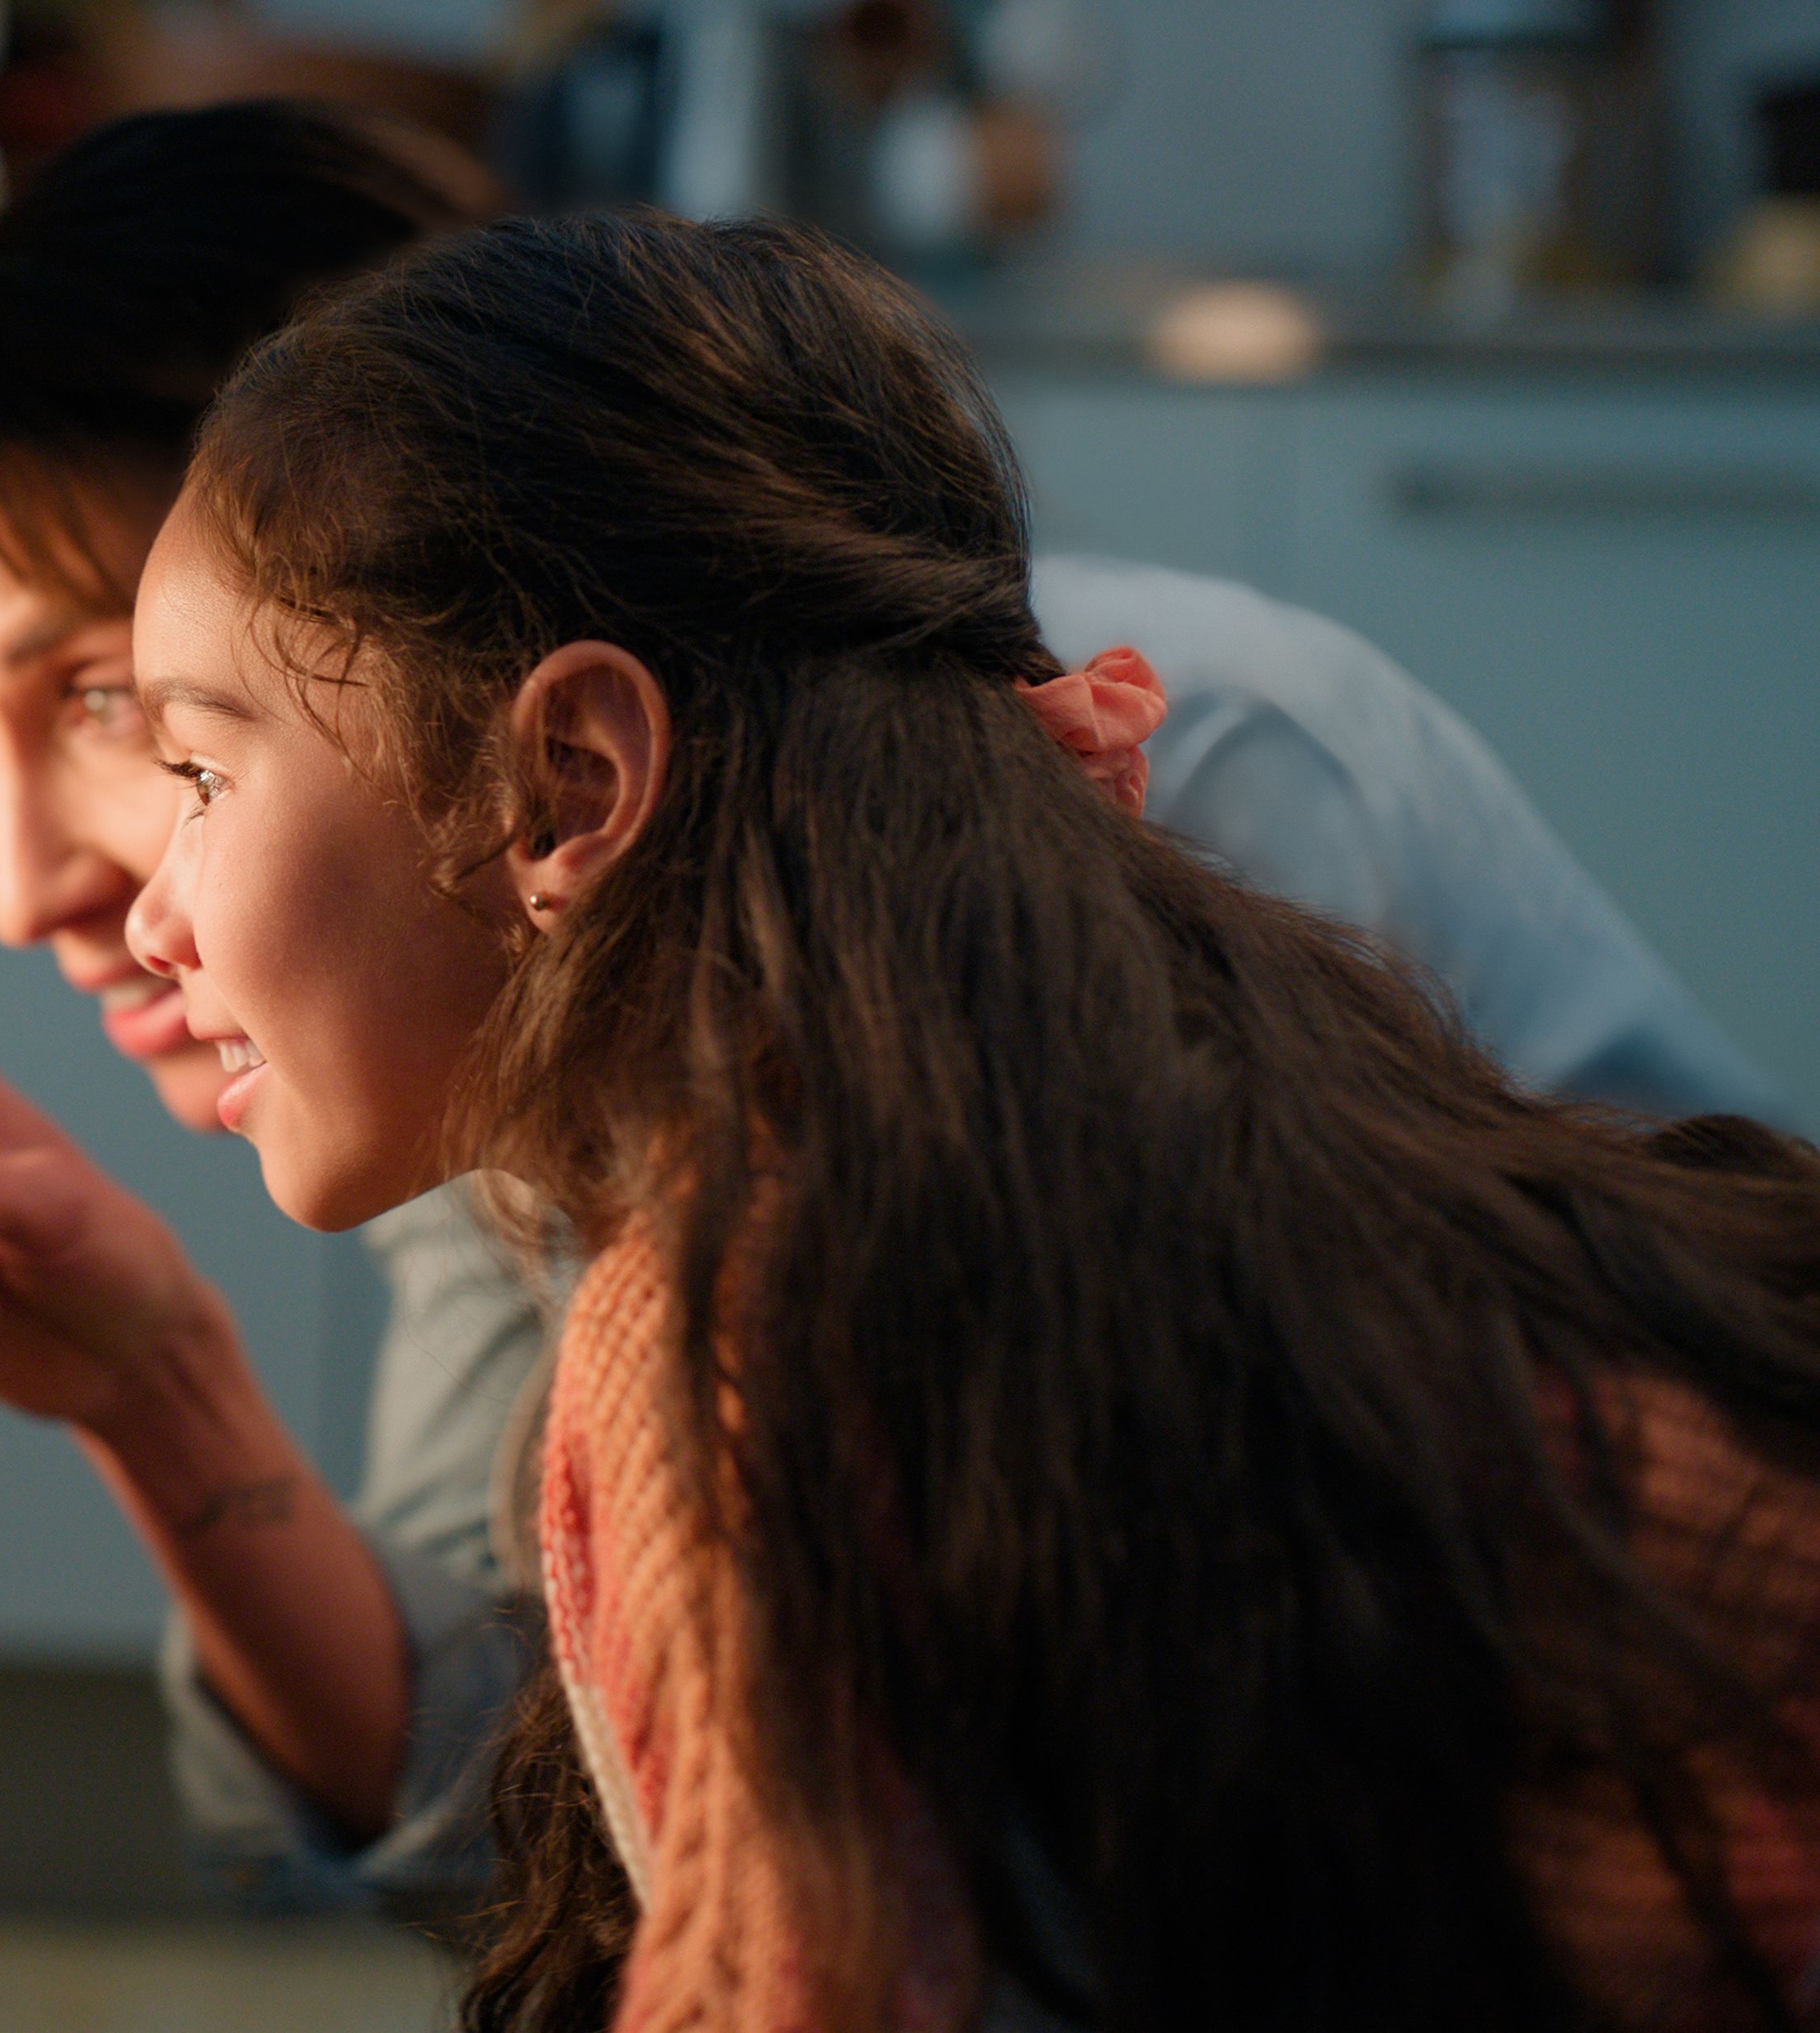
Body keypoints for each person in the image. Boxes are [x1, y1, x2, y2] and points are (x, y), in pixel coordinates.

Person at [0, 101, 1792, 1921]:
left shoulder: (1114, 851)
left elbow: (1055, 1858)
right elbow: (559, 1787)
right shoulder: (501, 1008)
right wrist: (161, 1390)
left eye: (130, 712)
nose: (26, 885)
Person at [124, 205, 1820, 2028]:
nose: (150, 912)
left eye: (203, 770)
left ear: (568, 779)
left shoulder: (738, 1318)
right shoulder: (1116, 1076)